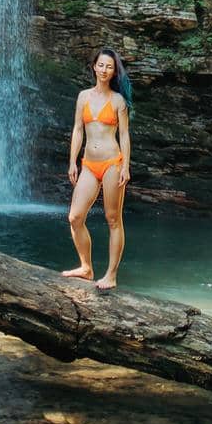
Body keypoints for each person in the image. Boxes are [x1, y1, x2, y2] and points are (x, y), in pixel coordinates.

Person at [62, 46, 132, 290]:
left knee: (113, 219)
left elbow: (124, 135)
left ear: (114, 72)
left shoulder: (118, 101)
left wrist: (125, 165)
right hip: (89, 164)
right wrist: (72, 161)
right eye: (101, 65)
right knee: (75, 216)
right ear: (94, 66)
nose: (104, 70)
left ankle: (111, 274)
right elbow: (78, 130)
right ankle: (86, 266)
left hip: (113, 162)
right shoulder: (83, 97)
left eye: (109, 67)